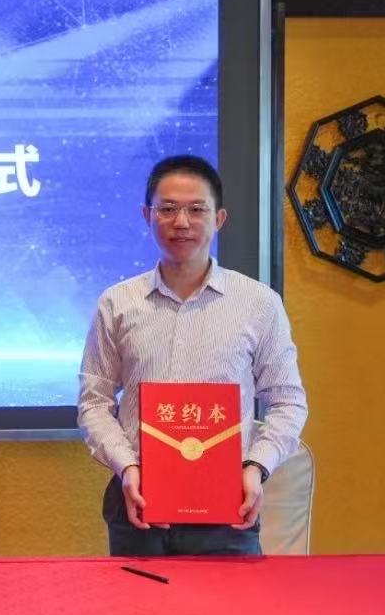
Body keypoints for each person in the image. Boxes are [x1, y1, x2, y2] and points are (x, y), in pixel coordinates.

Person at [77, 155, 308, 556]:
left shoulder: (258, 303)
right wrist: (127, 466)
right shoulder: (117, 303)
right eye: (167, 209)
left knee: (227, 602)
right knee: (135, 600)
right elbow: (94, 403)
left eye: (196, 210)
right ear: (147, 215)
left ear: (219, 219)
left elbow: (288, 401)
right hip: (138, 505)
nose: (181, 222)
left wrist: (256, 467)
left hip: (228, 511)